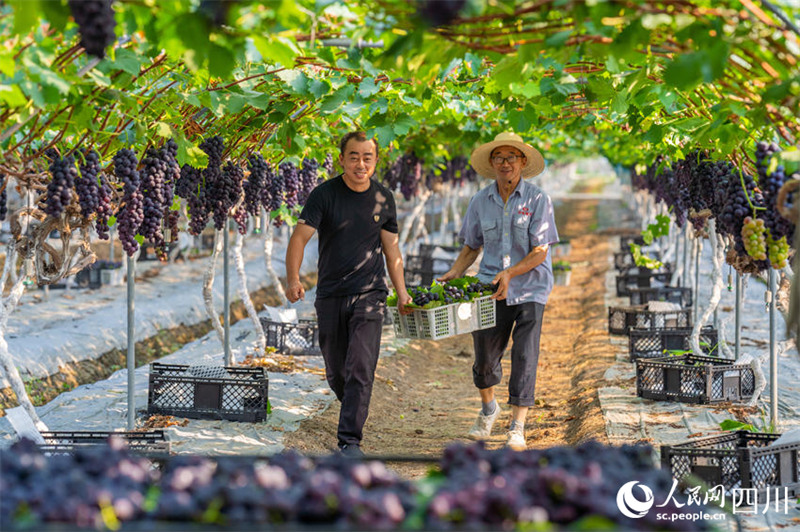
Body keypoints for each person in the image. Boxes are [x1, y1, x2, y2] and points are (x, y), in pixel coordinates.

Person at [285, 131, 412, 457]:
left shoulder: (384, 198)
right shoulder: (324, 195)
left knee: (360, 367)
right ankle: (354, 404)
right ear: (341, 159)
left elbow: (391, 248)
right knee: (337, 372)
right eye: (353, 156)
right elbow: (299, 238)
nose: (360, 163)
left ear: (375, 160)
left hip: (370, 294)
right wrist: (293, 279)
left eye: (367, 157)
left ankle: (350, 442)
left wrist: (402, 292)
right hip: (329, 294)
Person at [438, 131, 558, 451]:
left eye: (511, 157)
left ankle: (517, 426)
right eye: (499, 158)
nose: (505, 163)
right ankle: (489, 409)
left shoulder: (537, 200)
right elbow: (471, 245)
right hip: (490, 287)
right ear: (492, 163)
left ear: (522, 162)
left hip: (530, 286)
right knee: (485, 356)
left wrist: (511, 273)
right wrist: (455, 272)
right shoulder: (480, 201)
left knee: (524, 355)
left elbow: (540, 252)